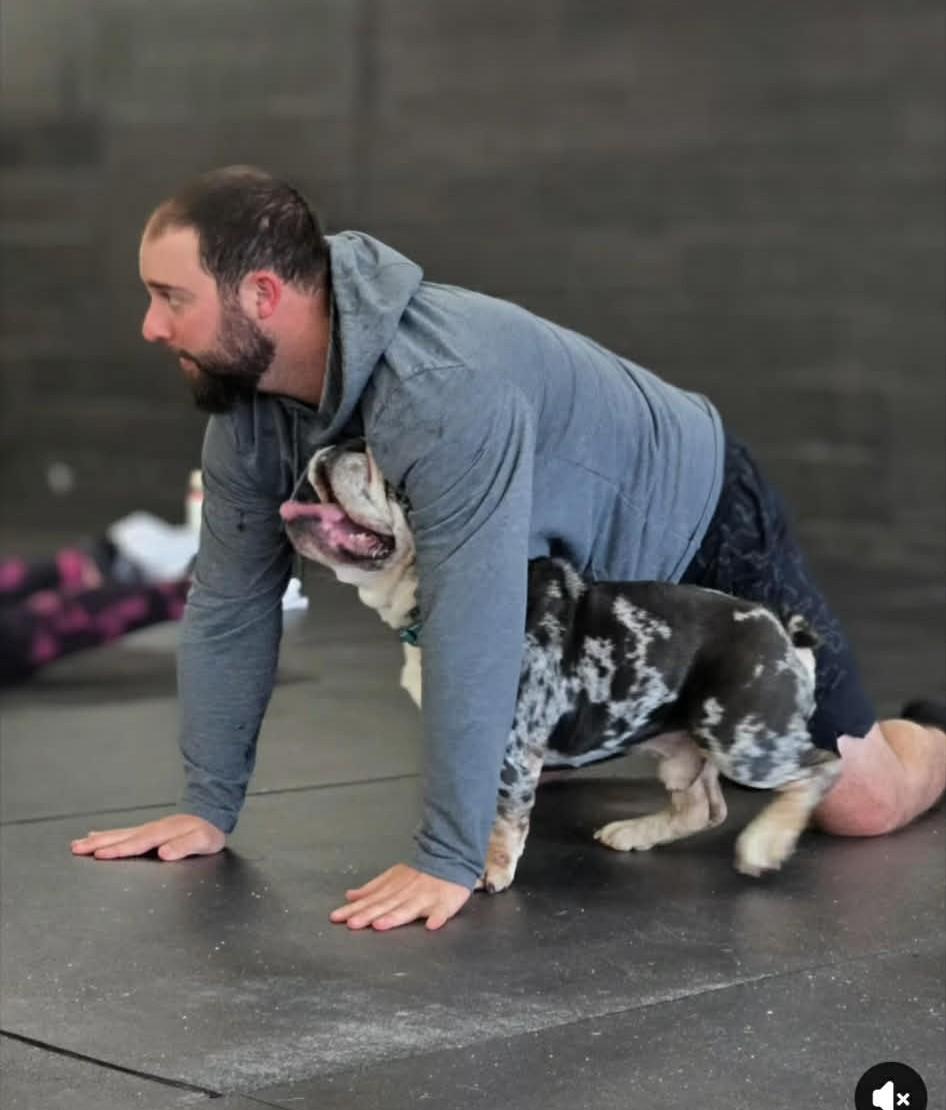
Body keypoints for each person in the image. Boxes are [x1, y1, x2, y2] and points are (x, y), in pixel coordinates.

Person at [71, 166, 946, 932]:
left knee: (860, 806)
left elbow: (472, 621)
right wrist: (207, 808)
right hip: (558, 577)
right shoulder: (249, 413)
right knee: (529, 741)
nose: (151, 326)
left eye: (170, 296)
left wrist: (451, 856)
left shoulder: (441, 391)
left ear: (263, 293)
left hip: (693, 520)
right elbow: (230, 599)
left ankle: (930, 738)